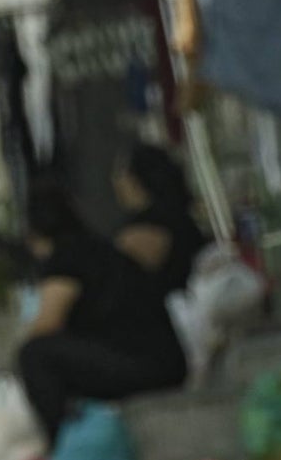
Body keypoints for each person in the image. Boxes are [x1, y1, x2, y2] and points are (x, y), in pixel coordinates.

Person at [17, 178, 188, 443]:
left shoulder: (67, 257)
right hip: (164, 361)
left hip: (144, 366)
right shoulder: (101, 249)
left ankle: (64, 445)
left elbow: (46, 325)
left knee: (34, 355)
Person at [111, 141, 210, 297]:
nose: (114, 180)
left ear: (134, 179)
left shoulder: (136, 236)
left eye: (119, 172)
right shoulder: (179, 215)